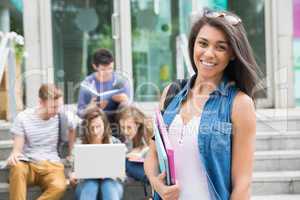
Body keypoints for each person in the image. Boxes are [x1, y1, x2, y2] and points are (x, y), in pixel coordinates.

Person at [144, 9, 260, 200]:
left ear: (232, 53)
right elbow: (153, 156)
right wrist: (157, 184)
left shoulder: (240, 105)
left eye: (220, 47)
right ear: (193, 45)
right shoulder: (171, 93)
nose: (208, 53)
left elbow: (242, 185)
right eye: (203, 44)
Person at [8, 84, 77, 200]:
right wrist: (14, 154)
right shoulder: (23, 118)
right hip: (28, 164)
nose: (57, 110)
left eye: (59, 106)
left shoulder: (63, 116)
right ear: (41, 102)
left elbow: (73, 127)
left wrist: (71, 152)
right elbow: (17, 150)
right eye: (53, 107)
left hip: (52, 165)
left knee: (60, 186)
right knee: (17, 167)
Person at [70, 107, 123, 200]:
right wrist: (73, 178)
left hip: (111, 184)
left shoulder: (115, 143)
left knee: (108, 186)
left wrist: (111, 175)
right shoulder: (79, 145)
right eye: (91, 128)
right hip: (86, 185)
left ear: (105, 125)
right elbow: (73, 172)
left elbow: (122, 175)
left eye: (98, 127)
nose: (95, 132)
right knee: (91, 185)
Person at [77, 48, 131, 136]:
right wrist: (91, 108)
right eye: (103, 69)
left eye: (110, 68)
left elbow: (131, 110)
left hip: (117, 122)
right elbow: (80, 112)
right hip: (96, 123)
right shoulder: (87, 83)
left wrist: (125, 101)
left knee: (126, 108)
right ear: (95, 66)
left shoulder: (121, 81)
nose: (107, 72)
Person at [117, 106, 152, 182]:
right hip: (134, 177)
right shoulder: (125, 141)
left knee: (126, 162)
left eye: (129, 128)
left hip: (149, 174)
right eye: (123, 127)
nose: (125, 132)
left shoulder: (149, 139)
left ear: (138, 125)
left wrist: (139, 155)